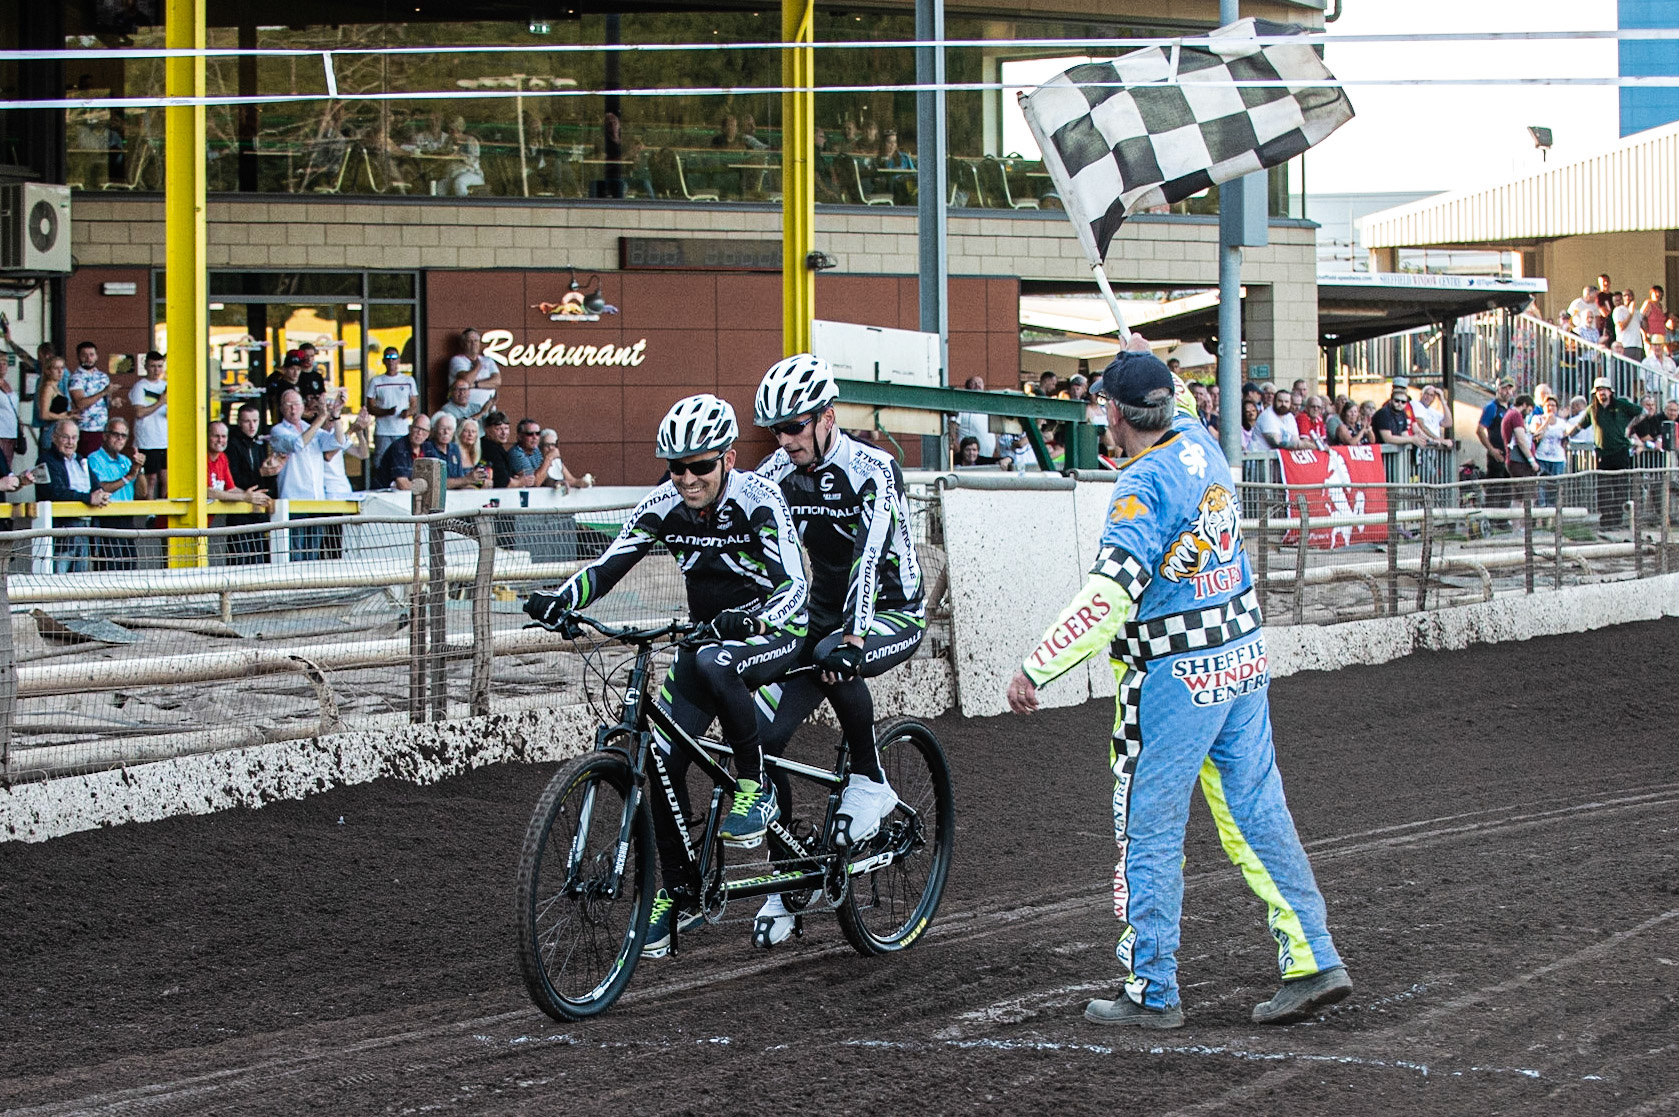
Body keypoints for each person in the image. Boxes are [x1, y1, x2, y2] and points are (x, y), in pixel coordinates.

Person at [1003, 349, 1348, 1029]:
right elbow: (1181, 397)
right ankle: (1312, 956)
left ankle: (1152, 987)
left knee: (1149, 828)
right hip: (1240, 661)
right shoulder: (1200, 442)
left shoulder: (1141, 487)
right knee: (1257, 811)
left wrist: (1037, 664)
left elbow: (1108, 594)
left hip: (1171, 676)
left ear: (1112, 412)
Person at [524, 394, 808, 958]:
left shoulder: (760, 498)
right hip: (707, 640)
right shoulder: (663, 504)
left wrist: (752, 618)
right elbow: (609, 564)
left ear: (728, 457)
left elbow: (794, 585)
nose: (686, 478)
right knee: (660, 756)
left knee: (714, 660)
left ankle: (752, 787)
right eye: (676, 467)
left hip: (772, 634)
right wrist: (560, 600)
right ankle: (677, 893)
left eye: (700, 465)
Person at [750, 354, 927, 948]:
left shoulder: (871, 467)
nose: (785, 438)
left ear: (828, 417)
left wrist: (851, 637)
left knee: (832, 657)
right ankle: (788, 880)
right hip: (821, 616)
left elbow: (867, 557)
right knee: (763, 740)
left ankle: (873, 780)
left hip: (889, 608)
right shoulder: (776, 471)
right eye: (776, 428)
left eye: (795, 425)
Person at [1564, 376, 1644, 530]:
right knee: (1604, 488)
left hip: (1620, 452)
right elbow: (1579, 427)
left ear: (1610, 391)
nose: (1602, 393)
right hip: (1602, 453)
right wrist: (1566, 435)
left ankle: (1617, 520)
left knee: (1620, 487)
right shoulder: (1592, 409)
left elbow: (1643, 412)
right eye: (1599, 390)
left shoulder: (1621, 405)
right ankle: (1606, 520)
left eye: (1604, 390)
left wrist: (1629, 426)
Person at [30, 419, 109, 572]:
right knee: (58, 587)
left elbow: (95, 485)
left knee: (80, 586)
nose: (70, 442)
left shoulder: (80, 460)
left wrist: (100, 494)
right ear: (54, 437)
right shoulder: (45, 461)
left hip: (85, 531)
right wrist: (88, 498)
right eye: (65, 437)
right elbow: (55, 492)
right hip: (61, 534)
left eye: (74, 438)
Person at [266, 388, 332, 559]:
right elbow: (297, 444)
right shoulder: (278, 430)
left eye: (296, 404)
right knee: (295, 556)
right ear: (281, 408)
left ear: (303, 407)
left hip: (317, 500)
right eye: (288, 405)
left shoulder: (311, 427)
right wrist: (321, 418)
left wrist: (336, 415)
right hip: (293, 501)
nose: (293, 409)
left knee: (313, 555)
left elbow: (338, 443)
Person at [85, 418, 145, 570]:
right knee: (109, 570)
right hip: (106, 520)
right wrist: (129, 476)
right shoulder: (94, 459)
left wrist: (140, 469)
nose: (120, 438)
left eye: (124, 435)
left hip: (127, 521)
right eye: (115, 434)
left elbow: (142, 492)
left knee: (130, 568)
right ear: (105, 436)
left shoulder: (126, 460)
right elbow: (101, 488)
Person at [225, 402, 277, 564]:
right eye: (247, 421)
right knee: (241, 556)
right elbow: (233, 479)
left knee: (260, 556)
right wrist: (260, 473)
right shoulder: (232, 445)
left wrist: (272, 472)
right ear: (239, 423)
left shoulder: (258, 445)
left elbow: (263, 477)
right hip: (239, 508)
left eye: (255, 421)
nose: (252, 425)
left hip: (259, 507)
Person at [365, 346, 419, 463]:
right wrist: (386, 412)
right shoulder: (376, 381)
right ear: (384, 361)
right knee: (381, 462)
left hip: (402, 431)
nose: (391, 360)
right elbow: (370, 407)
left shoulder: (408, 381)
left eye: (394, 357)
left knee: (402, 462)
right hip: (383, 431)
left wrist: (408, 412)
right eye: (388, 357)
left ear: (399, 360)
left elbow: (414, 406)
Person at [129, 350, 169, 500]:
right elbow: (139, 412)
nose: (156, 370)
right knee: (151, 479)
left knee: (167, 478)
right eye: (152, 366)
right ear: (146, 366)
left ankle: (165, 512)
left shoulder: (166, 386)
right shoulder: (140, 386)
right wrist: (161, 402)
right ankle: (150, 514)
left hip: (164, 438)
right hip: (147, 439)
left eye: (159, 366)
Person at [66, 341, 113, 458]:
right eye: (84, 355)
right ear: (78, 357)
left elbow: (106, 402)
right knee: (88, 462)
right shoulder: (76, 378)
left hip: (103, 428)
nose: (88, 358)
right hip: (86, 428)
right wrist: (103, 392)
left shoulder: (103, 376)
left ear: (96, 356)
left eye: (91, 355)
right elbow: (80, 403)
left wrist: (113, 402)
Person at [447, 328, 502, 414]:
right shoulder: (457, 360)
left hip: (488, 410)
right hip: (464, 410)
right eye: (469, 341)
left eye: (476, 341)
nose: (473, 344)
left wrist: (474, 385)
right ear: (463, 344)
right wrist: (477, 366)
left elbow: (497, 382)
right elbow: (466, 380)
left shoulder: (488, 360)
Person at [375, 411, 432, 490]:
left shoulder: (428, 448)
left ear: (428, 434)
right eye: (417, 428)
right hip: (384, 493)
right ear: (410, 428)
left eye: (424, 430)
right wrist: (428, 486)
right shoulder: (399, 447)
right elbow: (403, 485)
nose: (420, 433)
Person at [1531, 394, 1570, 508]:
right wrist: (1547, 421)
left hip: (1557, 459)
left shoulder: (1562, 422)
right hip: (1541, 457)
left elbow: (1565, 437)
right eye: (1548, 405)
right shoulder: (1537, 419)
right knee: (1541, 486)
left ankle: (1552, 515)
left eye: (1553, 405)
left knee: (1555, 487)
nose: (1550, 408)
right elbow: (1536, 435)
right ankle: (1541, 512)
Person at [950, 375, 997, 462]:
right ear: (968, 387)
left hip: (988, 457)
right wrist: (961, 453)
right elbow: (951, 432)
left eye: (980, 383)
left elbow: (996, 432)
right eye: (973, 383)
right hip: (968, 460)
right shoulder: (961, 407)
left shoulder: (988, 407)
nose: (977, 385)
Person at [438, 115, 484, 196]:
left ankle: (465, 205)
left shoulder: (471, 140)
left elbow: (472, 159)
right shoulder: (449, 140)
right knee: (440, 186)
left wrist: (459, 155)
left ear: (459, 129)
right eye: (448, 129)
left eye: (452, 130)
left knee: (459, 182)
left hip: (471, 172)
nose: (449, 132)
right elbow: (442, 151)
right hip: (452, 173)